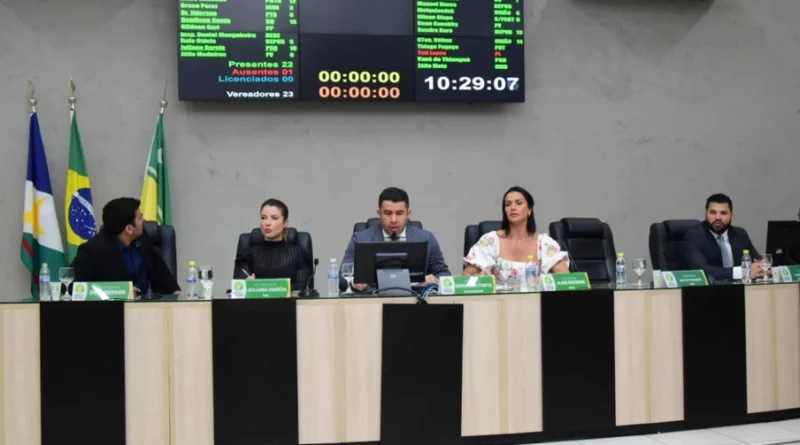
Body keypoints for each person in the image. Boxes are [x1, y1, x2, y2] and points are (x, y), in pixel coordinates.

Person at [341, 187, 450, 291]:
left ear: (408, 213)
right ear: (379, 213)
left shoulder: (427, 238)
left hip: (415, 302)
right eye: (388, 213)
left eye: (399, 213)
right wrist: (353, 282)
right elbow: (342, 276)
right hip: (373, 301)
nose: (393, 219)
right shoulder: (360, 239)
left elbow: (445, 276)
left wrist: (435, 280)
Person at [71, 197, 180, 295]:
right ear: (129, 229)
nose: (144, 221)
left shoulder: (142, 238)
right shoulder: (93, 250)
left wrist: (175, 291)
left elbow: (159, 268)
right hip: (115, 311)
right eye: (140, 218)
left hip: (148, 306)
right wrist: (119, 292)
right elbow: (73, 287)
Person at [464, 186, 570, 279]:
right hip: (498, 300)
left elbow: (565, 277)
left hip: (536, 301)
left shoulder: (544, 243)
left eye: (518, 203)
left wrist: (546, 281)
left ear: (529, 210)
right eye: (508, 204)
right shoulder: (490, 241)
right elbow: (466, 275)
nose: (512, 208)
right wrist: (479, 278)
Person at [684, 193, 764, 282]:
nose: (718, 217)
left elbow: (756, 260)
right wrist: (743, 272)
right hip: (707, 291)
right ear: (706, 214)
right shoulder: (694, 235)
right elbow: (701, 271)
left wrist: (762, 268)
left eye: (723, 213)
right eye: (713, 212)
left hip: (739, 289)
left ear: (731, 216)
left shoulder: (740, 234)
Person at [234, 199, 311, 291]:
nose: (267, 223)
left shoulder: (298, 253)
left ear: (285, 223)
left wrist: (264, 287)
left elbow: (301, 286)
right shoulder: (247, 253)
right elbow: (238, 285)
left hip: (288, 304)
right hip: (254, 304)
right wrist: (246, 283)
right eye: (263, 218)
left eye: (274, 218)